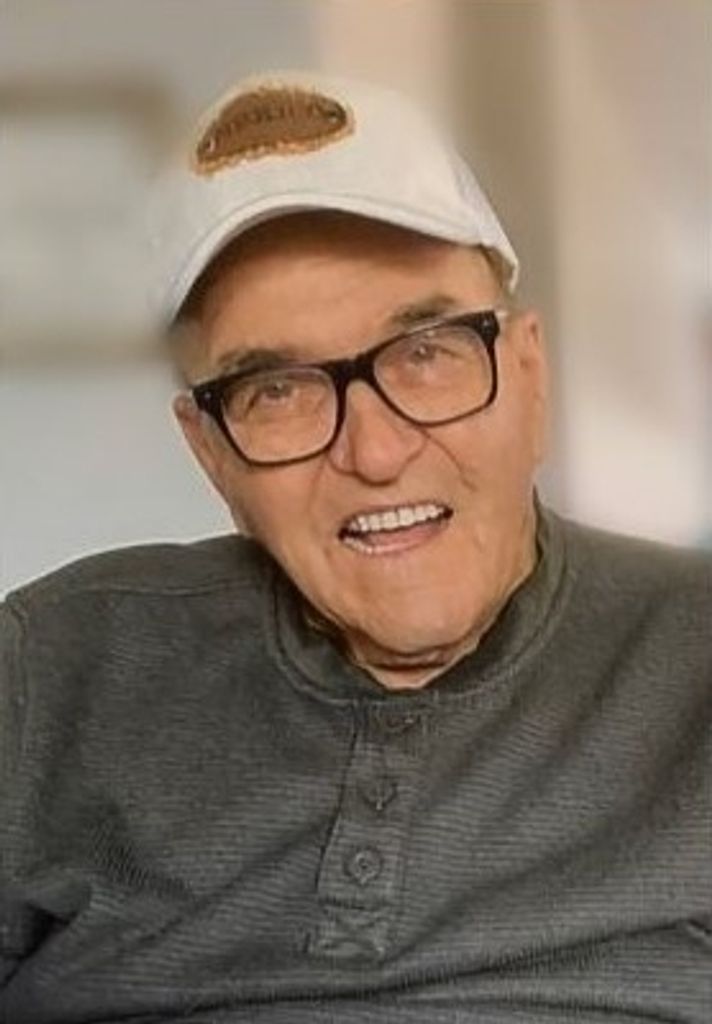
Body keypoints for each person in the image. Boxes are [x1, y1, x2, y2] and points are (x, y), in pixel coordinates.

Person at [1, 71, 710, 1024]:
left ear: (529, 375)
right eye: (278, 390)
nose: (374, 453)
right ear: (211, 453)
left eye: (428, 352)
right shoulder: (49, 668)